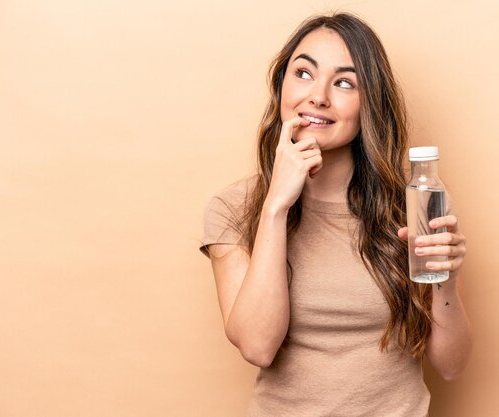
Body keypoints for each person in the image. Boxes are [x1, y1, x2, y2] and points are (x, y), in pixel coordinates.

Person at [199, 12, 471, 416]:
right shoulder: (234, 207)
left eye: (344, 82)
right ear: (281, 87)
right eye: (304, 73)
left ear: (369, 105)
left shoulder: (413, 202)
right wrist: (276, 207)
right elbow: (257, 346)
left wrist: (445, 282)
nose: (319, 96)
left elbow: (451, 366)